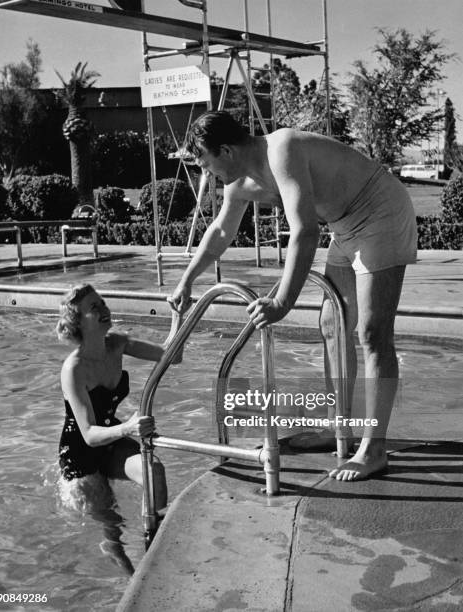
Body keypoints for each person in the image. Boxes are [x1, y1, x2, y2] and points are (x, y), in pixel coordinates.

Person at [170, 111, 417, 482]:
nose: (209, 175)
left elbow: (305, 231)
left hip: (379, 209)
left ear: (225, 149)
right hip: (345, 224)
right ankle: (339, 426)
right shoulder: (240, 182)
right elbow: (220, 231)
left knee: (373, 332)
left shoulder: (280, 149)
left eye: (208, 165)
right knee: (332, 324)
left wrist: (283, 301)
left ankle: (374, 448)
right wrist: (186, 280)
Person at [56, 283, 182, 571]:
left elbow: (171, 355)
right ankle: (129, 584)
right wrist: (127, 428)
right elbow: (87, 433)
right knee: (113, 530)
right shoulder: (73, 369)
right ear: (79, 322)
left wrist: (178, 316)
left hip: (112, 437)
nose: (103, 309)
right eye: (94, 307)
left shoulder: (117, 343)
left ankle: (153, 548)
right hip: (81, 455)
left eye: (102, 302)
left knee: (154, 472)